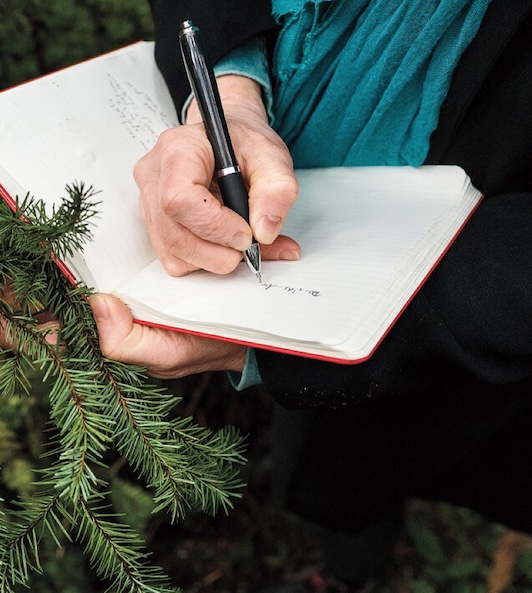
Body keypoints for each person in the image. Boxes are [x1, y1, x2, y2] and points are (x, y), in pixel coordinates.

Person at [87, 0, 532, 590]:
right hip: (309, 265)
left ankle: (353, 571)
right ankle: (347, 563)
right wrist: (230, 93)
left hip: (467, 320)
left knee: (387, 443)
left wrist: (302, 342)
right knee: (324, 462)